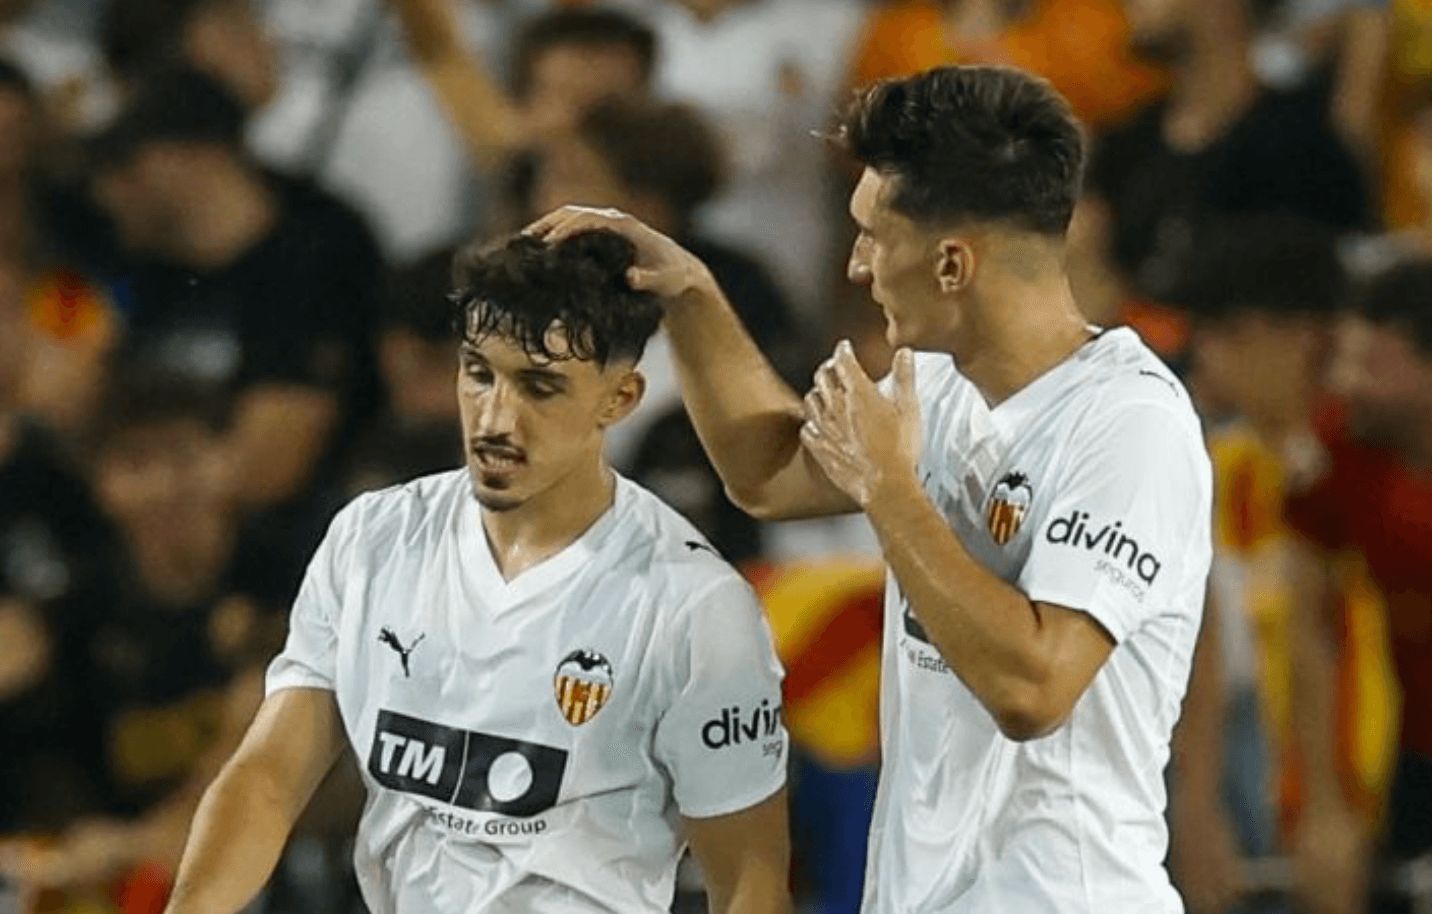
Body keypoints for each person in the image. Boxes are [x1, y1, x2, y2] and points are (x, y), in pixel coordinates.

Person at [532, 64, 1212, 913]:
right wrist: (692, 294)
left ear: (953, 263)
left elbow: (1035, 689)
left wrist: (890, 490)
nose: (855, 267)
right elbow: (771, 475)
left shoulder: (1130, 423)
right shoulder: (938, 384)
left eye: (871, 236)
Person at [160, 229, 793, 914]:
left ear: (621, 398)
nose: (495, 419)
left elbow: (749, 886)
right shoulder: (372, 539)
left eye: (540, 386)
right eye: (479, 372)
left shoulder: (692, 605)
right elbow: (269, 778)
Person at [1164, 219, 1398, 914]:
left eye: (1227, 330)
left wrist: (1333, 809)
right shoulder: (1216, 475)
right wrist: (1196, 808)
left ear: (1302, 335)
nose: (1206, 355)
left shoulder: (1376, 472)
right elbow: (1200, 648)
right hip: (1268, 806)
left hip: (1378, 791)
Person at [88, 66, 381, 512]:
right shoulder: (140, 269)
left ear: (194, 156)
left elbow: (272, 464)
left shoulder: (314, 258)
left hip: (282, 552)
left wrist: (134, 481)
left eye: (122, 165)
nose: (104, 191)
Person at [1285, 260, 1432, 914]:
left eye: (1369, 363)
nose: (1343, 383)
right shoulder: (1341, 443)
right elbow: (1309, 621)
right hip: (1412, 753)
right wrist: (1325, 804)